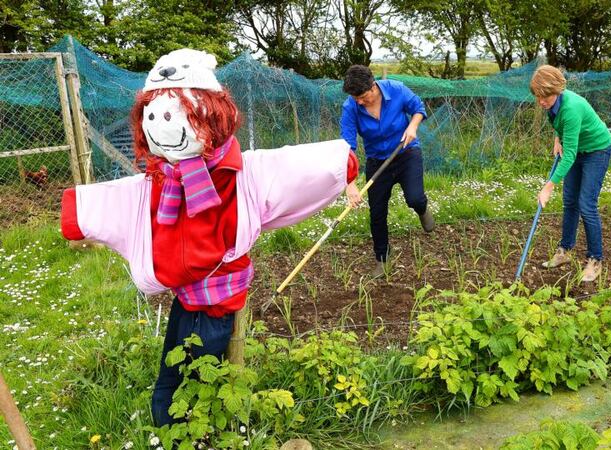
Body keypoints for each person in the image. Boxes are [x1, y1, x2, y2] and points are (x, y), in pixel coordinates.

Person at [60, 48, 359, 426]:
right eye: (153, 115)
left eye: (174, 114)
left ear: (212, 115)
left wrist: (341, 163)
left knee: (202, 368)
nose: (161, 125)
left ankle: (194, 426)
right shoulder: (160, 180)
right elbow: (123, 198)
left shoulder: (242, 173)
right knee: (177, 363)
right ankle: (172, 426)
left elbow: (291, 168)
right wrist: (78, 215)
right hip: (185, 293)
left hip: (218, 294)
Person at [340, 65, 434, 277]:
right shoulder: (351, 107)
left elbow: (418, 108)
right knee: (377, 213)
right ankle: (382, 258)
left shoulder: (397, 89)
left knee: (415, 198)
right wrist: (350, 183)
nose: (359, 102)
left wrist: (412, 126)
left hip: (406, 153)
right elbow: (347, 146)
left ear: (373, 86)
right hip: (377, 162)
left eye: (362, 97)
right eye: (356, 98)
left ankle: (422, 209)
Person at [532, 65, 611, 283]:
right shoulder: (552, 104)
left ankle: (595, 260)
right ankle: (564, 251)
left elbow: (569, 156)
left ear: (557, 89)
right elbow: (559, 125)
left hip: (597, 149)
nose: (541, 101)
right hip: (576, 148)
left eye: (545, 96)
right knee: (570, 202)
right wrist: (558, 139)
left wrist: (548, 186)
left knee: (586, 203)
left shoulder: (571, 108)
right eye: (538, 96)